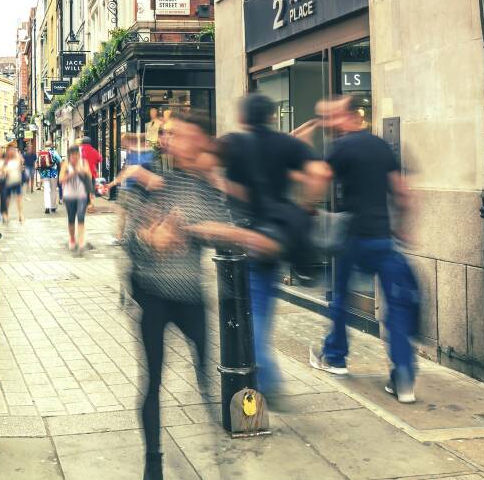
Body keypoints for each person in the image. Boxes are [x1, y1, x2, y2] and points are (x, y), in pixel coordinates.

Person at [122, 110, 279, 480]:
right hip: (153, 296)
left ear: (202, 142)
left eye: (185, 135)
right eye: (173, 135)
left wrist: (230, 233)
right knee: (153, 381)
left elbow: (226, 227)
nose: (175, 141)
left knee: (206, 377)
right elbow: (130, 237)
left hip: (191, 296)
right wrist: (149, 237)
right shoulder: (153, 180)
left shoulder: (207, 187)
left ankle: (221, 456)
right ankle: (153, 462)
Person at [304, 96, 419, 404]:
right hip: (383, 238)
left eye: (334, 115)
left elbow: (319, 178)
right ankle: (404, 377)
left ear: (348, 116)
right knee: (397, 307)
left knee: (340, 297)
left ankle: (336, 358)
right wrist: (400, 226)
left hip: (353, 238)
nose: (330, 121)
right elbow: (403, 194)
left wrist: (307, 208)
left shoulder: (342, 147)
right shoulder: (381, 146)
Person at [219, 94, 326, 399]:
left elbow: (213, 170)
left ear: (242, 118)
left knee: (251, 318)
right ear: (272, 116)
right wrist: (306, 205)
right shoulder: (286, 144)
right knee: (262, 306)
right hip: (276, 238)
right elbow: (320, 173)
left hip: (243, 239)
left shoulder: (234, 143)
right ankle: (264, 377)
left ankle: (267, 381)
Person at [106, 132, 154, 246]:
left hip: (137, 190)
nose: (122, 144)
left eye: (123, 141)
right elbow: (125, 170)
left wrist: (112, 184)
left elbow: (132, 171)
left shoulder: (148, 154)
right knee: (121, 213)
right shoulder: (132, 152)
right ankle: (120, 238)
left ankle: (140, 238)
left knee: (136, 216)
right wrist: (112, 184)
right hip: (126, 188)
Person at [59, 145, 94, 253]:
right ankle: (72, 238)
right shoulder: (65, 164)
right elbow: (61, 180)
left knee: (80, 217)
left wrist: (81, 171)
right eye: (73, 156)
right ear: (69, 156)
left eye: (77, 156)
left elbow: (89, 178)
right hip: (69, 195)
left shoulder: (84, 163)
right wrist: (72, 173)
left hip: (81, 195)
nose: (75, 158)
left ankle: (82, 241)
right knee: (71, 219)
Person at [2, 145, 25, 224]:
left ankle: (20, 214)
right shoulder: (6, 160)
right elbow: (3, 171)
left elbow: (22, 164)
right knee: (7, 200)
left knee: (19, 199)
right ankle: (6, 214)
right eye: (10, 150)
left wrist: (17, 154)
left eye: (13, 150)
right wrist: (5, 172)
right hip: (8, 182)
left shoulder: (17, 159)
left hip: (17, 181)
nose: (11, 152)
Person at [79, 137, 102, 213]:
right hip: (92, 173)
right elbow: (100, 159)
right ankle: (91, 205)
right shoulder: (93, 150)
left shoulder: (79, 150)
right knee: (91, 190)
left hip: (81, 173)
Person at [37, 143, 62, 214]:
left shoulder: (41, 152)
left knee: (46, 190)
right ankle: (53, 207)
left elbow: (37, 162)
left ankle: (47, 207)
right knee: (53, 190)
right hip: (53, 172)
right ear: (51, 145)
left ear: (45, 145)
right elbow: (60, 160)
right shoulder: (54, 152)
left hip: (44, 173)